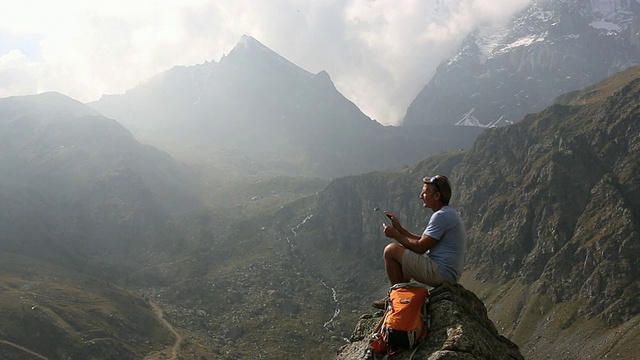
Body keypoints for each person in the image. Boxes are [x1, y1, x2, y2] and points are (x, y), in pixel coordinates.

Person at [373, 175, 465, 309]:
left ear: (437, 195)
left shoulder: (441, 216)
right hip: (447, 272)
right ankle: (403, 298)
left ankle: (397, 299)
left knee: (391, 251)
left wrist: (395, 235)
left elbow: (420, 248)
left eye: (425, 192)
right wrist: (400, 230)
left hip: (442, 273)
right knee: (402, 255)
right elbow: (424, 241)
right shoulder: (448, 213)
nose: (421, 195)